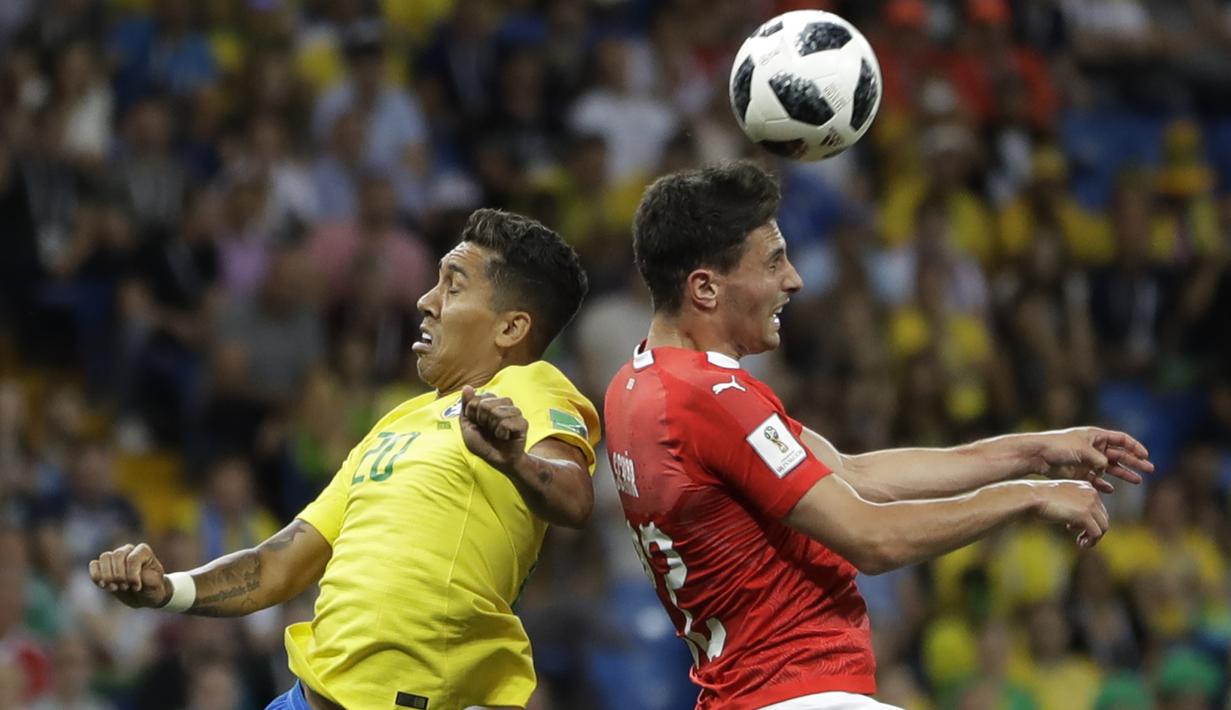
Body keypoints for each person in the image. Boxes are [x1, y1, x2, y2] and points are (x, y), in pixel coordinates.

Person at [602, 162, 1153, 710]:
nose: (793, 279)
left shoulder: (636, 385)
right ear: (704, 287)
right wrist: (1029, 497)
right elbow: (873, 537)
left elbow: (854, 475)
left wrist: (1035, 451)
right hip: (799, 691)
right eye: (773, 262)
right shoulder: (713, 398)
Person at [88, 208, 600, 710]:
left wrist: (515, 460)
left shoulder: (532, 387)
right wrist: (168, 591)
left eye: (453, 285)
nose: (426, 300)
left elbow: (575, 496)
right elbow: (279, 563)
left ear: (510, 329)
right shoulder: (396, 422)